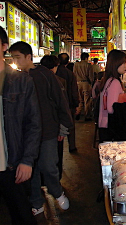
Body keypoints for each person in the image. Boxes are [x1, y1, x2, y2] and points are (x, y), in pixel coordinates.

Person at [9, 41, 73, 216]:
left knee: (48, 165)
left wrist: (63, 127)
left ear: (28, 57)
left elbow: (60, 100)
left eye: (17, 57)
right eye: (12, 57)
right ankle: (37, 202)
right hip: (26, 134)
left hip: (48, 130)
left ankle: (57, 191)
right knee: (32, 169)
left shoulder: (44, 75)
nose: (14, 61)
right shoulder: (15, 78)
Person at [0, 26, 41, 225]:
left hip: (11, 163)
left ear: (3, 47)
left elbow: (33, 123)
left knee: (21, 215)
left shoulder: (21, 81)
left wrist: (27, 160)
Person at [40, 55, 69, 181]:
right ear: (55, 66)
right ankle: (55, 182)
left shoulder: (31, 79)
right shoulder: (59, 81)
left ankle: (44, 182)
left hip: (39, 127)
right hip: (54, 126)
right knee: (55, 156)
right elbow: (63, 105)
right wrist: (63, 127)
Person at [98, 50, 126, 142]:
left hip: (104, 124)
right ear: (116, 63)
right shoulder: (114, 82)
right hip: (111, 126)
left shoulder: (108, 80)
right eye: (124, 63)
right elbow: (111, 108)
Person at [57, 53, 80, 153]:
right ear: (68, 61)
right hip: (69, 104)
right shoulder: (70, 74)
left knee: (58, 128)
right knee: (71, 126)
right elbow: (74, 90)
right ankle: (72, 146)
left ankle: (59, 147)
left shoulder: (54, 73)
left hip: (57, 105)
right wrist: (76, 104)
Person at [74, 52, 93, 121]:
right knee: (87, 100)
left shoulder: (76, 64)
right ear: (86, 58)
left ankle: (78, 112)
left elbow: (74, 74)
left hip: (78, 83)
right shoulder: (88, 65)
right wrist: (91, 83)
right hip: (85, 83)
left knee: (80, 100)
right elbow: (91, 76)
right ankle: (87, 115)